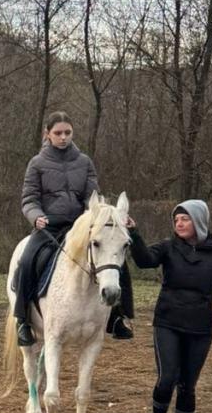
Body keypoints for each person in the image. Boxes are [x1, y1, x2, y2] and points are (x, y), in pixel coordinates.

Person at [126, 200, 212, 413]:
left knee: (188, 385)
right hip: (168, 322)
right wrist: (134, 233)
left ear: (198, 221)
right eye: (176, 220)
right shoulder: (168, 247)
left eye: (184, 219)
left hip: (200, 327)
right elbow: (144, 260)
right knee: (167, 379)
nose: (179, 223)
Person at [14, 111, 134, 346]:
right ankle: (23, 321)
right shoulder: (37, 164)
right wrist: (36, 216)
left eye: (67, 132)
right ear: (47, 134)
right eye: (58, 133)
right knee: (27, 261)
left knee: (118, 262)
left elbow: (94, 198)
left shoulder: (84, 162)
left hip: (80, 226)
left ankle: (118, 318)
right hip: (47, 226)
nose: (63, 137)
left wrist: (115, 218)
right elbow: (29, 198)